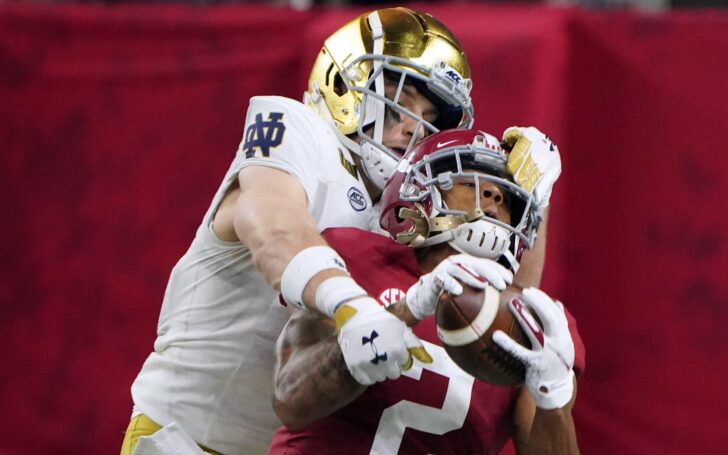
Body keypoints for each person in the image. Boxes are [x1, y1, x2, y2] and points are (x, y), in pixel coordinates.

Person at [120, 7, 476, 455]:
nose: (413, 127)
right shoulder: (300, 130)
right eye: (400, 102)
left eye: (429, 116)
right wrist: (349, 307)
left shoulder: (408, 206)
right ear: (345, 85)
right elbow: (274, 227)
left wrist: (532, 200)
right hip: (185, 438)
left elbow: (481, 293)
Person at [269, 129, 584, 454]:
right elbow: (290, 401)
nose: (493, 195)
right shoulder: (354, 254)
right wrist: (402, 314)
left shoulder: (532, 320)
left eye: (509, 197)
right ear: (418, 191)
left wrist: (554, 394)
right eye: (470, 181)